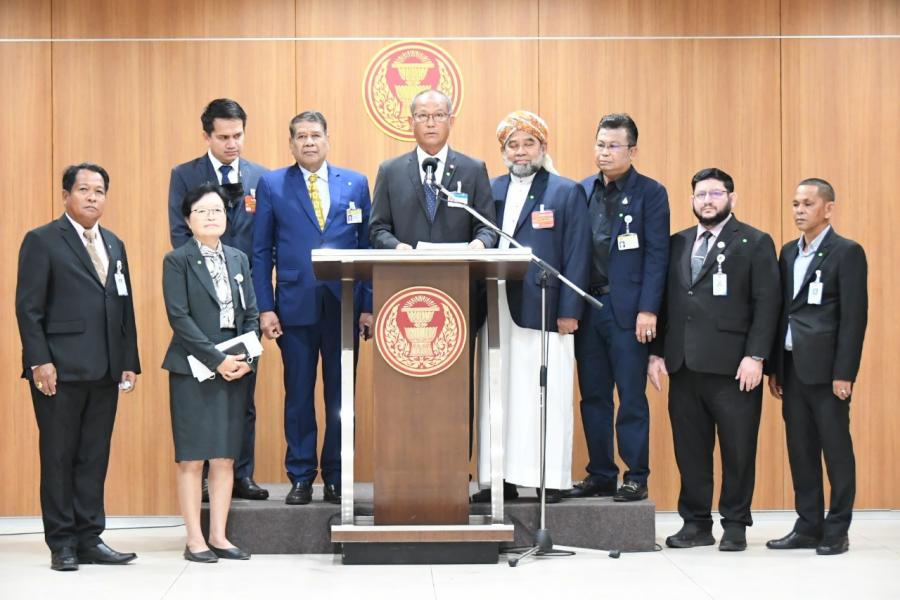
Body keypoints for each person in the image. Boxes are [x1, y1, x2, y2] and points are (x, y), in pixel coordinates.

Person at [15, 163, 141, 571]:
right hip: (59, 370)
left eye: (99, 191)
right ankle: (62, 542)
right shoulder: (42, 240)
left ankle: (90, 537)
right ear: (65, 195)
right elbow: (28, 309)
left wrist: (128, 360)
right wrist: (39, 360)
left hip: (105, 370)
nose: (92, 197)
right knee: (59, 457)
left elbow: (123, 306)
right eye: (84, 189)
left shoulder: (114, 243)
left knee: (93, 457)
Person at [648, 168, 780, 552]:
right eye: (700, 194)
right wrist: (656, 352)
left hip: (735, 368)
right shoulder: (677, 243)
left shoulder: (754, 241)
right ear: (692, 200)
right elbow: (665, 302)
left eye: (715, 194)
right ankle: (696, 524)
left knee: (738, 450)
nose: (707, 200)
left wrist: (756, 356)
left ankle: (735, 524)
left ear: (731, 198)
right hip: (684, 365)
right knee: (690, 451)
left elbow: (767, 304)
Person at [252, 111, 373, 506]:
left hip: (344, 306)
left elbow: (367, 248)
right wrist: (265, 308)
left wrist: (368, 306)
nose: (308, 142)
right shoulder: (272, 184)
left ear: (327, 139)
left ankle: (337, 477)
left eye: (315, 135)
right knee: (299, 395)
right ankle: (301, 476)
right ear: (291, 144)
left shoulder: (356, 183)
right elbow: (261, 252)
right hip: (293, 306)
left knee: (341, 398)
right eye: (301, 136)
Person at [472, 111, 590, 504]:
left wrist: (570, 310)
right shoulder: (490, 189)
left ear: (543, 147)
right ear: (503, 151)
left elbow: (577, 253)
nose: (520, 152)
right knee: (498, 392)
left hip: (545, 308)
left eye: (529, 143)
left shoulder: (565, 191)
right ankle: (499, 480)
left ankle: (548, 479)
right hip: (496, 305)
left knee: (545, 394)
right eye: (513, 145)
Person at [168, 98, 269, 501]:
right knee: (205, 398)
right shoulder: (185, 174)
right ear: (207, 136)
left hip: (244, 301)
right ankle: (208, 478)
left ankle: (241, 473)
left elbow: (264, 241)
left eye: (238, 135)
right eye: (224, 137)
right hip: (202, 302)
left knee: (243, 394)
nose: (232, 144)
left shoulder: (260, 177)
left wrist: (259, 306)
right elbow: (179, 234)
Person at [567, 113, 670, 502]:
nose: (605, 152)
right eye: (600, 144)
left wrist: (649, 310)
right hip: (588, 307)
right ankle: (600, 473)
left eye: (613, 146)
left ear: (632, 150)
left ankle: (636, 475)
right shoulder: (581, 190)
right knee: (593, 395)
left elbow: (657, 256)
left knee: (630, 397)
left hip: (628, 311)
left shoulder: (651, 193)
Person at [765, 179, 867, 556]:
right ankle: (808, 525)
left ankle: (837, 528)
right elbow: (782, 313)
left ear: (828, 208)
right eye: (795, 204)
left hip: (827, 372)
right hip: (793, 367)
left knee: (835, 449)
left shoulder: (847, 252)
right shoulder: (788, 252)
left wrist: (845, 373)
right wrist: (776, 367)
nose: (799, 210)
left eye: (808, 203)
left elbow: (854, 318)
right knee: (801, 449)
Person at [162, 183, 258, 562]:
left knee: (224, 457)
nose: (211, 216)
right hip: (192, 367)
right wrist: (216, 360)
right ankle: (194, 540)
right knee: (192, 457)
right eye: (202, 211)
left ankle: (219, 536)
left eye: (217, 210)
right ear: (188, 220)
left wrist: (247, 359)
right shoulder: (177, 260)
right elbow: (179, 318)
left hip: (235, 366)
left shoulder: (238, 258)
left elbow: (251, 314)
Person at [369, 89, 497, 251]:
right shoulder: (390, 171)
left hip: (459, 265)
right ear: (411, 122)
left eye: (439, 115)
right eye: (422, 116)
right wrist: (396, 246)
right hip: (406, 264)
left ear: (451, 121)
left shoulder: (473, 170)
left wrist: (480, 242)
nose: (430, 123)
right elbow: (377, 228)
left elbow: (487, 226)